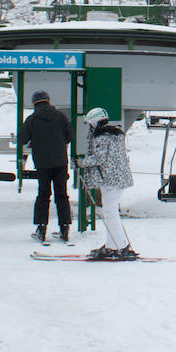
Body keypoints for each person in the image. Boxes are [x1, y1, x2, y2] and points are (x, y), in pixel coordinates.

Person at [79, 107, 139, 260]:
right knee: (110, 213)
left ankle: (120, 246)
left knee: (110, 213)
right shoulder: (113, 135)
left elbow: (99, 158)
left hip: (112, 180)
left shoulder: (102, 138)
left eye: (90, 125)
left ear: (94, 123)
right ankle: (113, 246)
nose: (90, 128)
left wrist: (80, 163)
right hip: (115, 179)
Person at [18, 90, 73, 243]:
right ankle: (64, 228)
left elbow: (22, 139)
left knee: (43, 195)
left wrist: (35, 140)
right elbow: (70, 136)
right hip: (61, 162)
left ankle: (41, 229)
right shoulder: (61, 116)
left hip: (42, 163)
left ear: (35, 103)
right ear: (48, 101)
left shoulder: (32, 119)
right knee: (62, 195)